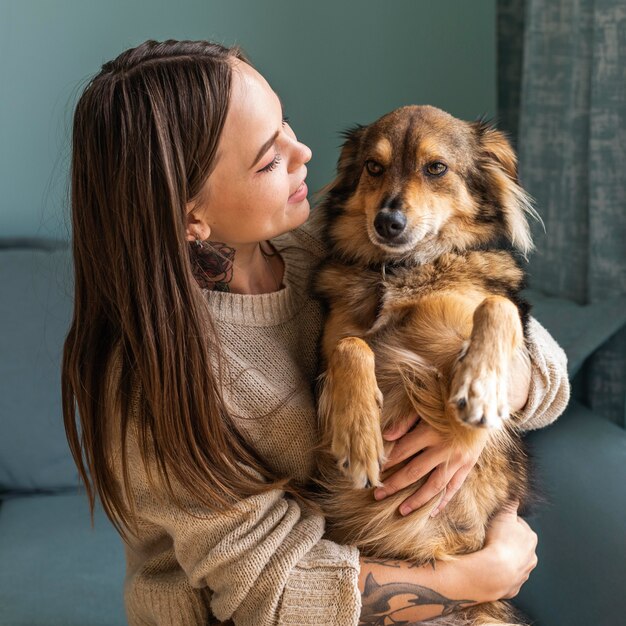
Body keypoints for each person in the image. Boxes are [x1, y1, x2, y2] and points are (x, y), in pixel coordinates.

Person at [62, 39, 570, 625]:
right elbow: (269, 597)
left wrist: (476, 418)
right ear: (190, 215)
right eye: (267, 158)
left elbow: (547, 377)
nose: (304, 153)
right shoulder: (153, 378)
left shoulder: (320, 250)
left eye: (287, 126)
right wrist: (475, 578)